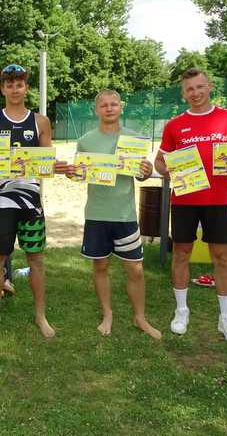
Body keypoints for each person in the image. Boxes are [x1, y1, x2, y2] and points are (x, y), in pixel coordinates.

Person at [154, 67, 227, 345]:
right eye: (189, 89)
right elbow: (159, 163)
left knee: (222, 257)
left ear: (209, 86)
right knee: (181, 254)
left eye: (200, 87)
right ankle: (181, 311)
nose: (195, 93)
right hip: (185, 200)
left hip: (218, 200)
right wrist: (169, 171)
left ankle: (226, 319)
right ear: (183, 93)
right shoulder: (174, 125)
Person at [0, 64, 67, 338]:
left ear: (26, 88)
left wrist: (56, 166)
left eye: (19, 84)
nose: (15, 89)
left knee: (36, 259)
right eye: (9, 84)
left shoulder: (41, 122)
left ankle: (40, 316)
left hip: (31, 202)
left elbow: (47, 161)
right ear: (2, 89)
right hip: (2, 202)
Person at [68, 89, 161, 339]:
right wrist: (72, 172)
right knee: (100, 266)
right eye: (104, 105)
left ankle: (139, 317)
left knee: (136, 270)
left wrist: (146, 169)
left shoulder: (134, 139)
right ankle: (107, 313)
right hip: (97, 214)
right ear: (96, 110)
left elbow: (142, 173)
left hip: (125, 215)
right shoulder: (86, 140)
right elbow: (80, 172)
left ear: (121, 107)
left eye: (114, 104)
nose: (109, 108)